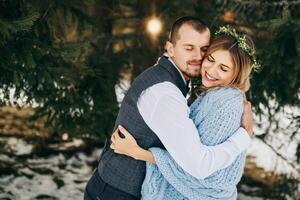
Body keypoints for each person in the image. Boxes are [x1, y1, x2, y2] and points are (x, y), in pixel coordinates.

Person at [84, 17, 253, 200]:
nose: (198, 57)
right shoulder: (166, 94)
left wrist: (140, 153)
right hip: (115, 192)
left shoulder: (175, 81)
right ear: (171, 49)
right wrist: (244, 136)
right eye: (189, 48)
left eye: (204, 50)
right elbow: (199, 164)